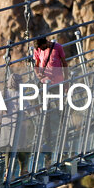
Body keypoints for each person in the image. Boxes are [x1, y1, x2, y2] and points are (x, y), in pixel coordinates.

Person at [32, 36, 68, 168]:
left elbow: (64, 64)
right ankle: (48, 141)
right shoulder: (38, 50)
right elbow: (36, 66)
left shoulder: (57, 47)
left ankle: (64, 139)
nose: (40, 50)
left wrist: (67, 81)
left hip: (58, 83)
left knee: (61, 111)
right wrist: (39, 75)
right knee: (45, 113)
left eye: (41, 48)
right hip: (45, 85)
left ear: (45, 43)